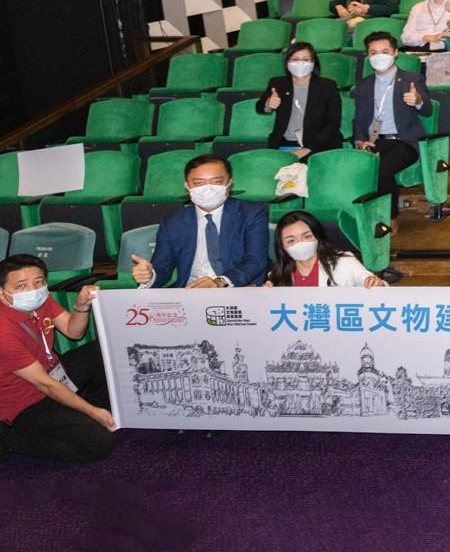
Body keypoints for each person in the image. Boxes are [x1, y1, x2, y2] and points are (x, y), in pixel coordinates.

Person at [0, 256, 115, 462]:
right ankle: (10, 437)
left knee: (104, 349)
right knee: (98, 442)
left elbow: (73, 331)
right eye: (21, 285)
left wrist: (81, 307)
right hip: (25, 400)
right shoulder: (3, 331)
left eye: (39, 282)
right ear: (2, 292)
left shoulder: (42, 301)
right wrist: (92, 412)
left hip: (53, 374)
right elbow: (45, 384)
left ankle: (86, 412)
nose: (33, 290)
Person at [129, 154, 269, 288]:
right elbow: (162, 267)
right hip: (190, 290)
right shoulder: (173, 222)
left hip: (236, 288)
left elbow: (255, 261)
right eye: (199, 183)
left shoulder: (251, 214)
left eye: (217, 182)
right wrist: (149, 276)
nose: (208, 189)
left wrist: (220, 282)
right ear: (187, 187)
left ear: (229, 183)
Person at [351, 32, 433, 223]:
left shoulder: (411, 79)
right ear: (368, 56)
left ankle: (390, 219)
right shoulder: (363, 85)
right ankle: (362, 220)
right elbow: (359, 119)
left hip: (404, 142)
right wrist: (360, 141)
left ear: (395, 53)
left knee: (381, 170)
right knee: (355, 170)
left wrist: (418, 101)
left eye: (384, 51)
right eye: (374, 52)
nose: (379, 56)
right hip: (374, 142)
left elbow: (427, 110)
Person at [257, 41, 342, 154]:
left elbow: (333, 123)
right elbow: (259, 107)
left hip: (318, 146)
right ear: (287, 63)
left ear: (313, 63)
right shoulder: (277, 83)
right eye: (295, 59)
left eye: (306, 59)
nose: (300, 63)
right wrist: (268, 104)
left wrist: (308, 148)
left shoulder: (327, 86)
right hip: (285, 144)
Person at [265, 211, 385, 287]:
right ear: (282, 246)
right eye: (291, 241)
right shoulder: (276, 275)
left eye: (307, 236)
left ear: (318, 237)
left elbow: (371, 282)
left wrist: (376, 284)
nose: (300, 244)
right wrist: (265, 296)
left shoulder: (344, 262)